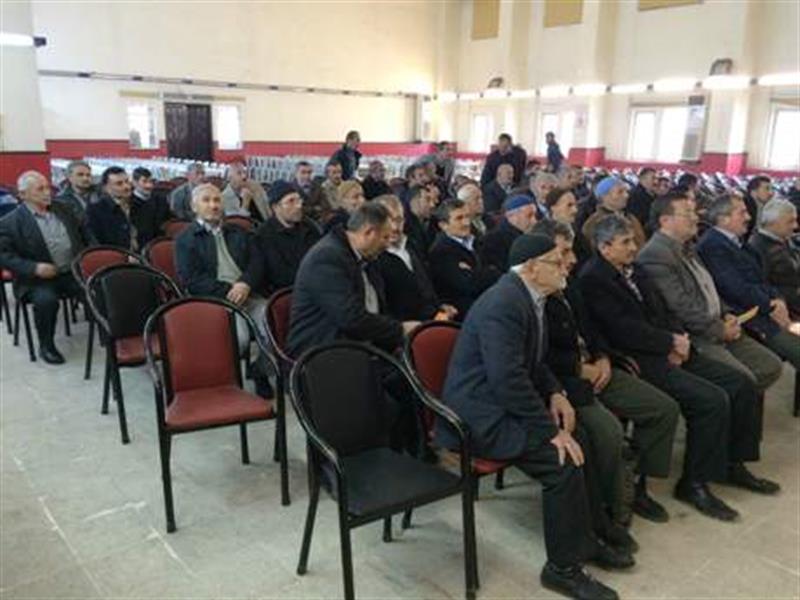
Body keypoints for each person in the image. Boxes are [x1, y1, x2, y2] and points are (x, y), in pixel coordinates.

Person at [436, 233, 620, 600]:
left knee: (581, 439)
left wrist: (555, 392)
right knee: (561, 461)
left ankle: (588, 539)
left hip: (502, 403)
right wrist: (549, 431)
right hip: (479, 417)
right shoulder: (504, 304)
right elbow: (508, 379)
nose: (567, 265)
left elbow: (533, 361)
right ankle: (562, 570)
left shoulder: (531, 296)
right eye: (557, 260)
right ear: (532, 268)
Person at [580, 215, 770, 521]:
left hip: (669, 347)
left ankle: (732, 463)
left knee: (741, 384)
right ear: (605, 247)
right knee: (710, 400)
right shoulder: (593, 279)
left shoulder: (635, 269)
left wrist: (677, 338)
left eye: (633, 240)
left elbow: (663, 310)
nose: (634, 247)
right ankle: (690, 483)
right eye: (625, 242)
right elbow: (621, 329)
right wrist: (667, 343)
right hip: (639, 357)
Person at [536, 219, 679, 524]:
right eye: (563, 253)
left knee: (662, 408)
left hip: (598, 368)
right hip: (566, 381)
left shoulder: (569, 284)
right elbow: (537, 357)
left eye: (572, 251)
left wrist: (601, 356)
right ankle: (613, 504)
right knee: (609, 432)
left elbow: (593, 329)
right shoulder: (533, 298)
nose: (573, 259)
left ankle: (637, 486)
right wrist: (579, 368)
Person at [638, 192, 784, 395]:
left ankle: (739, 405)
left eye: (694, 211)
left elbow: (709, 288)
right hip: (697, 335)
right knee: (743, 381)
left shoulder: (687, 247)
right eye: (688, 213)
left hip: (718, 323)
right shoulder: (655, 255)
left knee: (770, 365)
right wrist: (719, 329)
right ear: (665, 221)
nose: (696, 217)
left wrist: (726, 313)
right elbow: (681, 307)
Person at [288, 202, 420, 357]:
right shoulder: (326, 258)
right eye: (384, 237)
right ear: (368, 232)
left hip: (361, 345)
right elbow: (350, 318)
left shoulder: (367, 256)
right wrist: (400, 330)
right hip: (322, 352)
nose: (387, 244)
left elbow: (378, 308)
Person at [698, 194, 800, 371]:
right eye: (742, 212)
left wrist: (778, 300)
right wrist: (771, 305)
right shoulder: (713, 246)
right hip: (748, 317)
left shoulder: (737, 242)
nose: (749, 217)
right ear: (724, 218)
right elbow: (735, 288)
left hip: (765, 310)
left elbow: (761, 279)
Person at [0, 171, 90, 364]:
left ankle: (110, 333)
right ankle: (46, 345)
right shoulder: (10, 223)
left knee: (98, 287)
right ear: (23, 194)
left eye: (47, 187)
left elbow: (84, 233)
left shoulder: (63, 209)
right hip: (36, 280)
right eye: (39, 189)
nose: (47, 192)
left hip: (71, 271)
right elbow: (4, 256)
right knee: (46, 301)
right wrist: (33, 268)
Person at [375, 194, 456, 322]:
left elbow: (425, 285)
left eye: (399, 220)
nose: (395, 227)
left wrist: (439, 306)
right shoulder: (374, 258)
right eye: (388, 221)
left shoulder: (412, 245)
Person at [428, 199, 500, 319]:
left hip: (488, 302)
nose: (466, 222)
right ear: (443, 225)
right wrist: (491, 272)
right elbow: (469, 285)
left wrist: (478, 273)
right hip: (466, 314)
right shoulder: (441, 251)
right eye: (459, 218)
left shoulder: (476, 241)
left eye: (467, 216)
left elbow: (496, 267)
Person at [253, 180, 321, 294]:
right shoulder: (264, 235)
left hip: (315, 285)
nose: (298, 206)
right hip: (285, 292)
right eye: (291, 201)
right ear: (275, 207)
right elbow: (278, 275)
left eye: (299, 200)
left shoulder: (309, 227)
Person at [87, 166, 160, 251]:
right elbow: (97, 244)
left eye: (127, 182)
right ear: (106, 188)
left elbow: (153, 236)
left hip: (143, 256)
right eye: (119, 184)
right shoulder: (96, 211)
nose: (126, 187)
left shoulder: (143, 206)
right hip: (114, 256)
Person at [748, 198, 800, 315]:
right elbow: (763, 287)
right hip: (788, 307)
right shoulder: (757, 247)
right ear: (773, 222)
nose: (795, 226)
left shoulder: (783, 238)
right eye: (790, 221)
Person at [581, 176, 646, 253]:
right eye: (620, 192)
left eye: (626, 191)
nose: (626, 195)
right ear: (604, 197)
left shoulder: (630, 217)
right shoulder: (593, 223)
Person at [481, 194, 537, 272]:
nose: (534, 221)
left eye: (535, 215)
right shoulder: (493, 241)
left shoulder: (533, 234)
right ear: (511, 216)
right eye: (529, 216)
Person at [131, 167, 171, 234]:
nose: (149, 185)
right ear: (135, 183)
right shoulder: (128, 202)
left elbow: (169, 221)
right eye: (144, 181)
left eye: (151, 181)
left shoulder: (161, 200)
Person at [404, 185, 437, 258]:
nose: (432, 205)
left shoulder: (433, 223)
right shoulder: (404, 227)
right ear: (414, 202)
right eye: (427, 200)